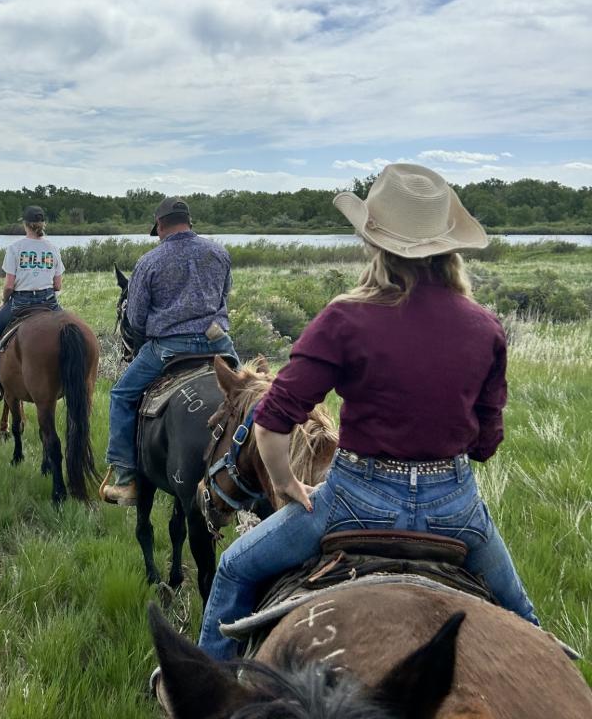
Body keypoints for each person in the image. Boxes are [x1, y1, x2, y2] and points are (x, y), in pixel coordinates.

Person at [197, 162, 540, 662]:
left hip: (354, 501)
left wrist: (289, 484)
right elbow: (486, 447)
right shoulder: (485, 327)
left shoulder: (344, 318)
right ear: (449, 247)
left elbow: (272, 421)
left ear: (374, 244)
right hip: (455, 509)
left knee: (233, 567)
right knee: (526, 623)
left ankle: (206, 705)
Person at [100, 196, 238, 507]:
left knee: (121, 395)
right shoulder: (219, 253)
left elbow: (135, 319)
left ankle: (126, 479)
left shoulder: (149, 262)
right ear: (189, 222)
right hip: (218, 344)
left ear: (160, 226)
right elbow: (224, 294)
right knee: (252, 395)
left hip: (168, 348)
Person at [0, 207, 64, 403]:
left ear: (25, 224)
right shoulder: (53, 248)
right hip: (49, 303)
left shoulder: (15, 248)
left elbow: (9, 286)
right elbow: (58, 284)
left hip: (21, 302)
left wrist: (4, 301)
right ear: (43, 224)